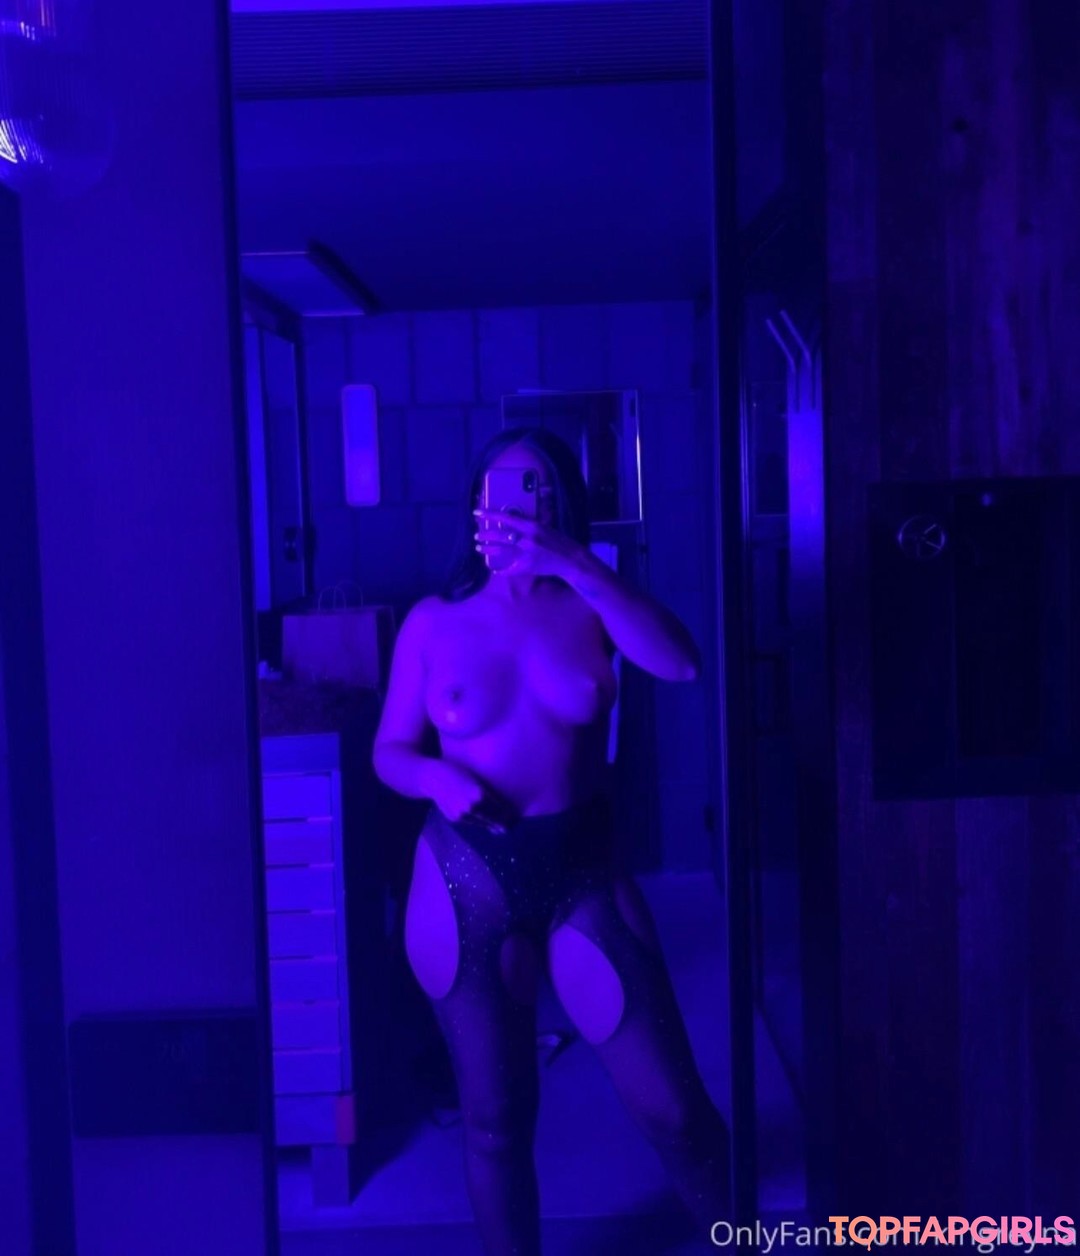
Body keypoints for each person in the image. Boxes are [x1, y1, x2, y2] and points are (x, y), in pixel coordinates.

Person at [372, 426, 731, 1255]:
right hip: (464, 877)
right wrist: (438, 779)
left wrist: (577, 564)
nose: (516, 507)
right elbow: (389, 751)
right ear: (475, 507)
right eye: (500, 490)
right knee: (495, 1123)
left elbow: (681, 664)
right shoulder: (433, 622)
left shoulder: (594, 607)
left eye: (536, 489)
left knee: (677, 1113)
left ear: (564, 504)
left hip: (582, 873)